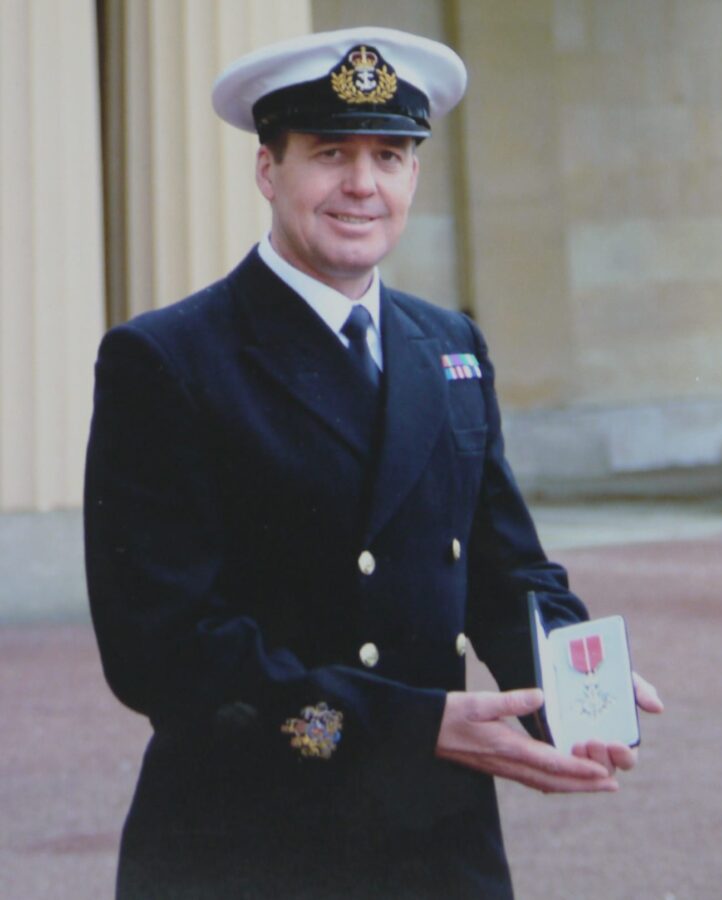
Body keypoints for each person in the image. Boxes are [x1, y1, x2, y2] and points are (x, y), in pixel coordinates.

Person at [84, 26, 662, 899]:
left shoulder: (448, 346)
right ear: (268, 170)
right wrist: (406, 725)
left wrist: (574, 685)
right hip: (246, 841)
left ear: (413, 177)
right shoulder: (169, 361)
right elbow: (162, 652)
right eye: (329, 153)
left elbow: (504, 568)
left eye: (390, 155)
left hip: (436, 841)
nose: (362, 184)